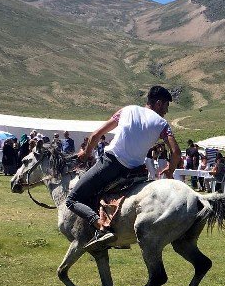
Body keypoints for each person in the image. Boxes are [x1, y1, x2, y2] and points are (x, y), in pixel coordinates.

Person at [65, 85, 180, 248]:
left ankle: (101, 227)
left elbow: (96, 135)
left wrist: (86, 153)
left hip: (111, 164)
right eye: (167, 106)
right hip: (136, 173)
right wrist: (170, 169)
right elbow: (175, 152)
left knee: (72, 199)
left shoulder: (126, 110)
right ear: (159, 103)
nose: (166, 111)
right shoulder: (162, 124)